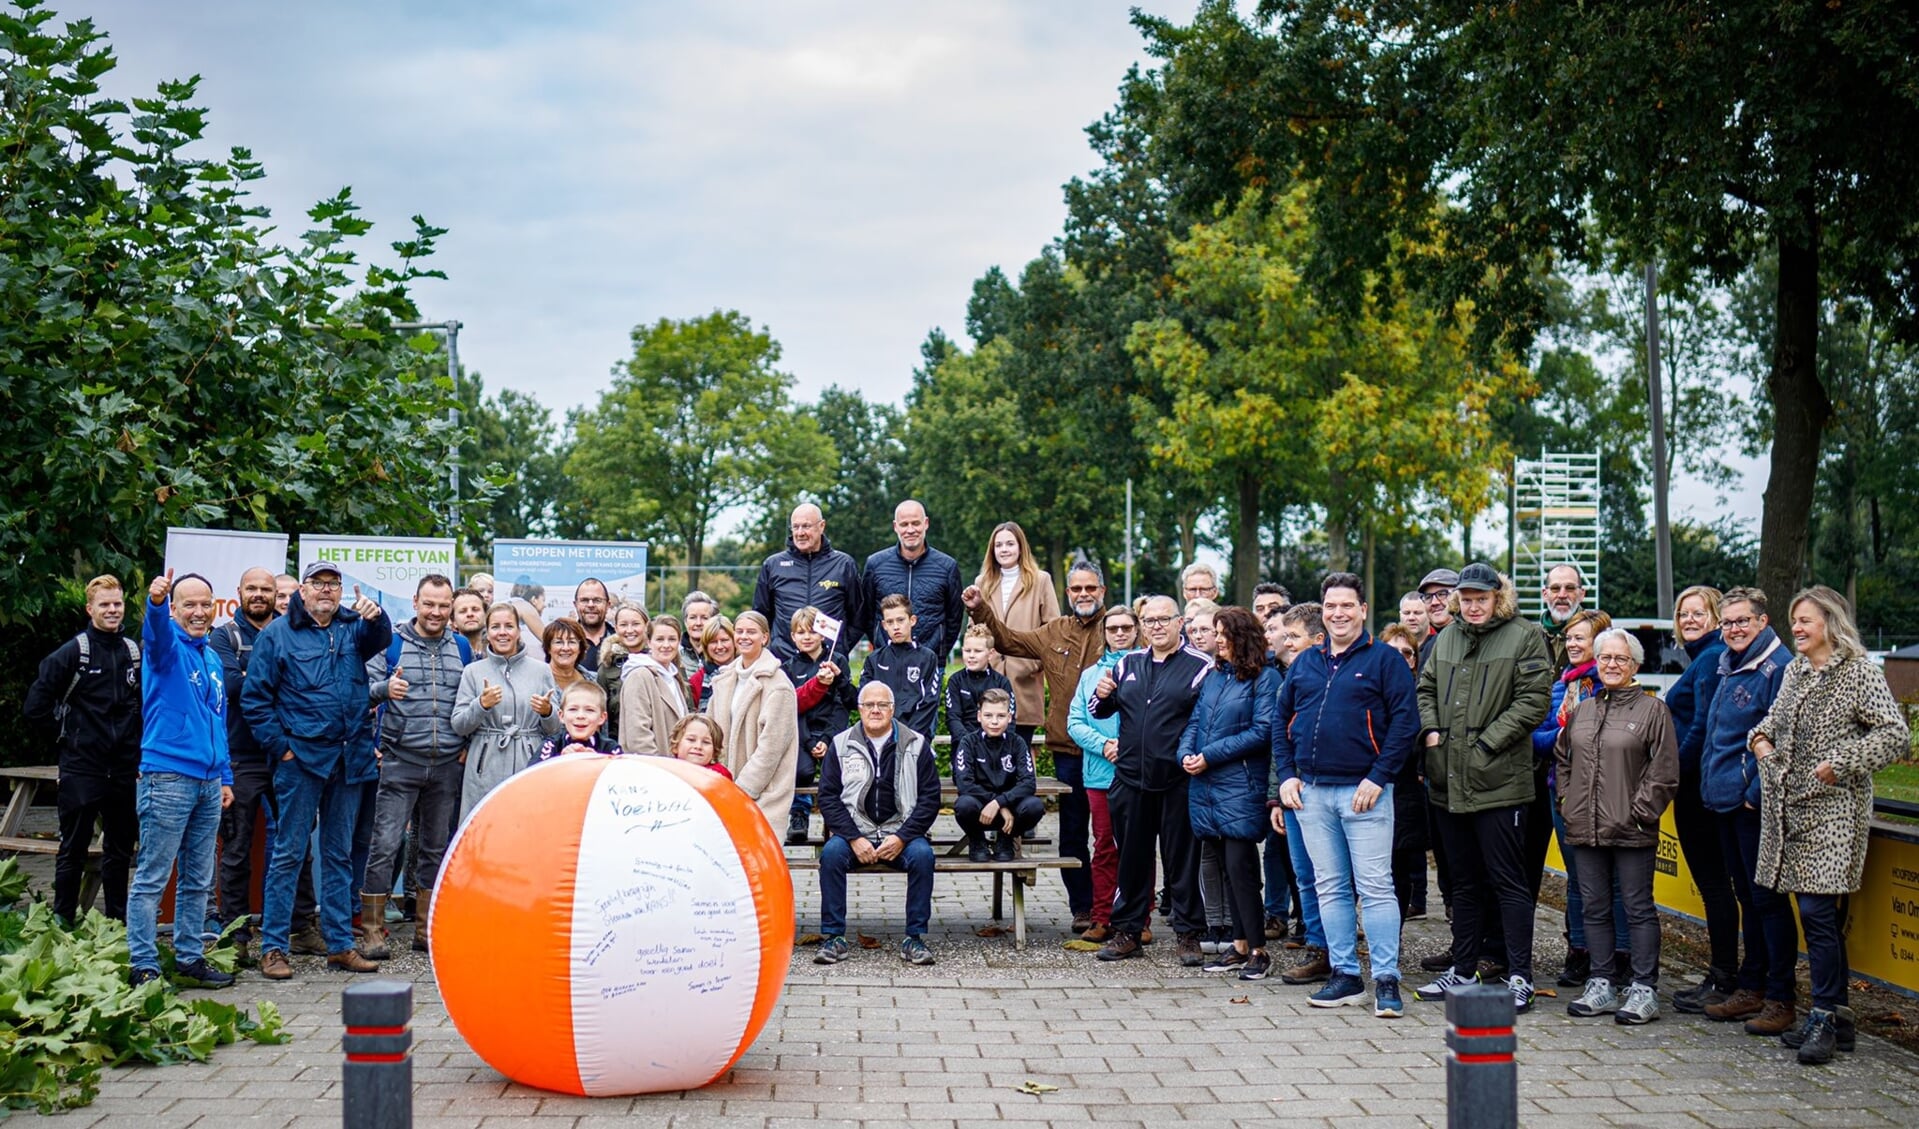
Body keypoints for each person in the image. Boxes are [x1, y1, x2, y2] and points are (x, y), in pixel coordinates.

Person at [1750, 586, 1909, 1064]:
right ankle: (1837, 1018)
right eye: (1794, 621)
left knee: (1819, 916)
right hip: (1787, 811)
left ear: (1831, 623)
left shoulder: (1859, 672)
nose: (1796, 628)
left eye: (1806, 621)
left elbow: (1895, 733)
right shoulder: (1795, 672)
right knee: (1815, 917)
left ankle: (1822, 1014)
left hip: (1834, 814)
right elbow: (1768, 726)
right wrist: (1762, 746)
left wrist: (1840, 763)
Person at [1274, 573, 1419, 1018]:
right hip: (1312, 794)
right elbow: (1281, 723)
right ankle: (1345, 975)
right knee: (1330, 887)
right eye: (1331, 606)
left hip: (1365, 794)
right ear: (1324, 611)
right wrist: (1286, 776)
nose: (1338, 613)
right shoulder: (1306, 663)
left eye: (1347, 605)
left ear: (1362, 609)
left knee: (1376, 888)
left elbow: (1405, 724)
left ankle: (1387, 980)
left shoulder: (1384, 661)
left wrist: (1379, 776)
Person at [1412, 562, 1553, 1014]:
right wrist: (1431, 732)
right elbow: (1426, 689)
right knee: (1464, 883)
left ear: (1499, 598)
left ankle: (1519, 976)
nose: (1473, 606)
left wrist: (1488, 743)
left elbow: (1534, 699)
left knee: (1509, 883)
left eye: (1481, 599)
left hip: (1500, 782)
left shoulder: (1525, 635)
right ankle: (1464, 967)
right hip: (1447, 780)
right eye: (1467, 599)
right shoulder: (1447, 637)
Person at [243, 562, 393, 980]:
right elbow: (255, 700)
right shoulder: (277, 635)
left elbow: (381, 639)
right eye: (318, 584)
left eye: (333, 584)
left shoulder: (351, 627)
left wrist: (376, 617)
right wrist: (283, 750)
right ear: (303, 591)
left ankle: (340, 945)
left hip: (349, 759)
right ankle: (274, 947)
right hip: (301, 762)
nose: (326, 591)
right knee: (289, 854)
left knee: (339, 855)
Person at [963, 562, 1109, 933]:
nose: (1083, 595)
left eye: (1090, 588)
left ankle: (1119, 906)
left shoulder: (1118, 629)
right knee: (1074, 833)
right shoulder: (1054, 631)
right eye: (1076, 589)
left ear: (1102, 592)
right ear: (1067, 594)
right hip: (1070, 750)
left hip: (1113, 752)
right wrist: (981, 609)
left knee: (1115, 833)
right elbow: (1009, 639)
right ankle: (1083, 907)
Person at [1556, 628, 1679, 1026]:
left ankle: (1644, 987)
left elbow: (1664, 773)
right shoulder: (1584, 710)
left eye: (1620, 659)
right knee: (1594, 907)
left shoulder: (1652, 710)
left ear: (1634, 666)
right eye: (1605, 658)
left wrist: (1639, 812)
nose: (1611, 665)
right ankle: (1601, 981)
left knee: (1637, 907)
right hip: (1585, 827)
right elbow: (1563, 759)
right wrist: (1567, 801)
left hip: (1631, 829)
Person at [1089, 594, 1212, 964]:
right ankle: (1128, 931)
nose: (1156, 626)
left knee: (1181, 861)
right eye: (1149, 620)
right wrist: (1101, 693)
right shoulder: (1128, 663)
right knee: (1132, 859)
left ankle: (1188, 934)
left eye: (1163, 619)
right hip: (1129, 778)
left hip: (1178, 780)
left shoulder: (1201, 666)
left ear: (1180, 623)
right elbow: (1099, 710)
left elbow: (1208, 719)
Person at [127, 570, 235, 988]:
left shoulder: (210, 656)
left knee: (198, 878)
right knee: (154, 876)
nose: (198, 611)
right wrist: (153, 605)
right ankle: (144, 963)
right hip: (168, 777)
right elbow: (154, 634)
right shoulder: (165, 647)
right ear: (174, 609)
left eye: (204, 604)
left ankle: (189, 956)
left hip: (208, 783)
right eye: (187, 604)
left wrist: (224, 775)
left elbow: (218, 719)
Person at [1697, 587, 1796, 1035]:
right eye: (1728, 622)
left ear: (1762, 621)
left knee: (1767, 900)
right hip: (1723, 801)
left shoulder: (1779, 668)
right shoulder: (1728, 663)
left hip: (1752, 804)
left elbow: (1786, 739)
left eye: (1742, 620)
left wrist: (1754, 791)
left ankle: (1780, 997)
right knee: (1746, 897)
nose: (1734, 628)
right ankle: (1751, 986)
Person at [211, 567, 319, 957]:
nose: (259, 595)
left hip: (287, 752)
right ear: (238, 592)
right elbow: (233, 686)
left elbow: (305, 684)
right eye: (252, 588)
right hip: (241, 757)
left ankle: (302, 926)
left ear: (278, 595)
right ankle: (236, 935)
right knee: (238, 847)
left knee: (298, 844)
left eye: (266, 589)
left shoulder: (294, 633)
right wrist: (279, 679)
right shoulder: (223, 636)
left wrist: (258, 677)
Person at [362, 574, 471, 958]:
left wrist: (465, 745)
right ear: (415, 602)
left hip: (445, 765)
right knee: (385, 845)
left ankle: (426, 929)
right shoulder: (390, 643)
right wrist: (384, 690)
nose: (436, 612)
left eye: (443, 605)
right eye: (429, 604)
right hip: (400, 760)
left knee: (435, 848)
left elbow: (468, 701)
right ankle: (373, 930)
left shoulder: (461, 647)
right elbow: (364, 689)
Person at [23, 574, 140, 925]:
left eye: (117, 603)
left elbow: (145, 707)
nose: (112, 610)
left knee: (120, 851)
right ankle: (63, 921)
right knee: (72, 848)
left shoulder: (133, 652)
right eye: (104, 605)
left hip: (122, 769)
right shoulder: (74, 651)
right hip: (82, 768)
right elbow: (35, 706)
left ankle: (117, 921)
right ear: (90, 609)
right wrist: (68, 738)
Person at [1183, 606, 1283, 981]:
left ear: (1242, 637)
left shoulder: (1266, 679)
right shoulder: (1214, 676)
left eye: (1224, 633)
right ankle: (1239, 944)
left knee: (1242, 869)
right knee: (1226, 868)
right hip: (1207, 786)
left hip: (1240, 786)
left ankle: (1258, 950)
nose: (1218, 639)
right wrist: (1187, 754)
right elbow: (1195, 721)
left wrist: (1209, 756)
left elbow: (1262, 731)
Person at [813, 682, 941, 967]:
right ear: (859, 709)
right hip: (855, 833)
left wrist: (903, 838)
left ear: (892, 709)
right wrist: (853, 838)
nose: (875, 710)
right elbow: (828, 797)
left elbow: (930, 798)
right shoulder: (841, 744)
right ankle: (834, 937)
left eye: (882, 705)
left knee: (923, 856)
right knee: (831, 855)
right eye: (869, 705)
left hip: (901, 832)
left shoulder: (916, 743)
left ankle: (914, 938)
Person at [1531, 608, 1626, 988]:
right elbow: (1536, 738)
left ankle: (1620, 954)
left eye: (1580, 638)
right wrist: (1559, 738)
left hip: (1607, 793)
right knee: (1577, 876)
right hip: (1563, 791)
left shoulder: (1611, 687)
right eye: (1569, 638)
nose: (1572, 644)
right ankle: (1580, 952)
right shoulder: (1558, 689)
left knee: (1612, 877)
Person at [1663, 585, 1741, 1014]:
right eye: (1683, 614)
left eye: (1698, 613)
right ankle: (1725, 973)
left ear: (1715, 616)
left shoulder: (1711, 660)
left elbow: (1702, 730)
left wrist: (1671, 771)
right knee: (1718, 888)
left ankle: (1725, 975)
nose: (1689, 620)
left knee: (1716, 888)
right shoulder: (1704, 658)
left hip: (1698, 790)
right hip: (1695, 786)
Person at [1066, 605, 1142, 945]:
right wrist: (1105, 744)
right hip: (1099, 773)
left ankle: (1138, 917)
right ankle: (1101, 916)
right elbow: (1075, 723)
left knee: (1137, 846)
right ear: (1105, 633)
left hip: (1138, 772)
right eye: (1114, 629)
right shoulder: (1089, 676)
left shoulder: (1146, 669)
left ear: (1136, 630)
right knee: (1105, 847)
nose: (1120, 633)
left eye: (1127, 627)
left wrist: (1125, 747)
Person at [451, 603, 560, 826]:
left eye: (509, 626)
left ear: (518, 631)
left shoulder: (541, 670)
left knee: (525, 828)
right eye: (496, 627)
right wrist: (481, 704)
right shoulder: (473, 671)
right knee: (483, 828)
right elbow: (459, 724)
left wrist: (547, 712)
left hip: (527, 760)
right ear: (487, 632)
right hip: (485, 762)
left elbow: (554, 729)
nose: (502, 632)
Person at [1271, 602, 1332, 984]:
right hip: (1294, 791)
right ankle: (1317, 946)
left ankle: (1337, 948)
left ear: (1318, 639)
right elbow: (1280, 735)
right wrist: (1279, 792)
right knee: (1305, 874)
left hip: (1330, 789)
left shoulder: (1331, 674)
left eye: (1293, 636)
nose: (1284, 641)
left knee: (1332, 875)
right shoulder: (1290, 677)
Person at [707, 611, 801, 831]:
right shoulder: (723, 679)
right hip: (724, 791)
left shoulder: (778, 685)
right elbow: (711, 733)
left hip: (761, 796)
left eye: (751, 632)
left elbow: (771, 749)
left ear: (765, 637)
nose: (744, 637)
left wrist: (742, 791)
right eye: (739, 631)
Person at [974, 521, 1059, 743]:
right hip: (990, 675)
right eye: (998, 545)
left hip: (1024, 679)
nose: (1004, 549)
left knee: (1019, 747)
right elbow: (974, 630)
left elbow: (1054, 630)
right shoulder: (982, 582)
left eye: (1010, 543)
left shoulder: (1041, 580)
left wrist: (1034, 663)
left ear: (1021, 547)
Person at [752, 503, 863, 662]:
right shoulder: (773, 565)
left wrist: (839, 646)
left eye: (806, 526)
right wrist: (776, 647)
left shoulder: (843, 564)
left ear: (822, 526)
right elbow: (760, 616)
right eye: (795, 527)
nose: (800, 533)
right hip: (784, 661)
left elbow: (858, 616)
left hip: (829, 662)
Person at [783, 607, 855, 845]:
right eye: (800, 632)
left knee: (840, 772)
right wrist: (811, 742)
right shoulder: (789, 667)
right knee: (801, 772)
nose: (806, 637)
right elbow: (792, 709)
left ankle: (840, 820)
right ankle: (799, 814)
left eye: (812, 632)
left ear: (823, 634)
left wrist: (826, 738)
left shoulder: (838, 660)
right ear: (792, 636)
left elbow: (846, 703)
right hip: (802, 734)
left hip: (831, 733)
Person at [862, 500, 964, 664]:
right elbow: (867, 614)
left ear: (926, 523)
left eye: (916, 523)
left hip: (930, 663)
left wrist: (938, 652)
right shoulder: (875, 564)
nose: (910, 530)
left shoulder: (947, 567)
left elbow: (954, 617)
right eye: (904, 524)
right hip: (886, 661)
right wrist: (881, 646)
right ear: (895, 527)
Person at [1378, 623, 1431, 921]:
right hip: (1367, 791)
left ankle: (1393, 936)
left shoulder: (1420, 696)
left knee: (1400, 868)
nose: (1399, 657)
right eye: (1392, 651)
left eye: (1406, 652)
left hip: (1405, 792)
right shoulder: (1366, 690)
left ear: (1414, 660)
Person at [952, 689, 1043, 861]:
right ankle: (977, 841)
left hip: (1012, 812)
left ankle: (1006, 839)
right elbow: (964, 784)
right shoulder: (968, 742)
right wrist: (997, 804)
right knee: (963, 804)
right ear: (979, 716)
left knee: (1034, 806)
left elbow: (1029, 783)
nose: (994, 721)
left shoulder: (1017, 743)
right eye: (988, 715)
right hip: (980, 811)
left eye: (1001, 716)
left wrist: (1001, 802)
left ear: (1009, 718)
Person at [860, 594, 942, 746]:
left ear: (912, 620)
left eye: (900, 620)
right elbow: (864, 699)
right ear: (884, 625)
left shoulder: (927, 658)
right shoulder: (874, 659)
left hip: (915, 737)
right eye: (890, 622)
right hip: (880, 738)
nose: (896, 626)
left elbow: (930, 701)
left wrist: (908, 735)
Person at [620, 616, 688, 758]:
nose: (666, 645)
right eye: (660, 639)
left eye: (672, 639)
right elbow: (638, 735)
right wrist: (658, 767)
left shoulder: (673, 677)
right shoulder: (639, 676)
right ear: (649, 642)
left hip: (675, 766)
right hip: (652, 768)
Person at [945, 625, 1015, 742]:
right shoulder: (955, 681)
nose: (971, 655)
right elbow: (953, 719)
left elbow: (1010, 721)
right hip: (964, 745)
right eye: (967, 651)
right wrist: (970, 745)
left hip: (996, 747)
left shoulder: (1002, 682)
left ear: (990, 654)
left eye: (977, 651)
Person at [596, 603, 651, 739]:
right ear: (616, 628)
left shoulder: (662, 661)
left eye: (636, 624)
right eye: (623, 625)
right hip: (619, 744)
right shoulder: (607, 667)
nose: (630, 630)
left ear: (647, 626)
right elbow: (598, 713)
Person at [537, 682, 624, 760]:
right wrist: (561, 760)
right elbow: (532, 775)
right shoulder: (550, 745)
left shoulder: (610, 748)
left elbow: (621, 775)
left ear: (602, 718)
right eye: (573, 709)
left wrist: (597, 762)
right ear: (561, 716)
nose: (580, 716)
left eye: (589, 710)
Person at [1538, 564, 1588, 667]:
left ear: (1582, 594)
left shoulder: (1598, 635)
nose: (1562, 595)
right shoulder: (1530, 639)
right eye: (1555, 588)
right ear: (1545, 594)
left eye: (1570, 588)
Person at [689, 616, 735, 711]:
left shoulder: (746, 672)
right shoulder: (696, 681)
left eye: (724, 640)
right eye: (713, 642)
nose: (719, 646)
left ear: (735, 641)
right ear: (706, 646)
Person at [543, 617, 591, 702]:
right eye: (559, 642)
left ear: (580, 648)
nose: (565, 648)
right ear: (548, 648)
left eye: (572, 642)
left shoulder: (594, 680)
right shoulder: (538, 680)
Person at [670, 714, 732, 779]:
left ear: (714, 752)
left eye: (706, 742)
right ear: (675, 746)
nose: (698, 746)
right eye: (691, 740)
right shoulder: (666, 771)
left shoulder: (719, 776)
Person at [571, 579, 611, 675]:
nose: (590, 605)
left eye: (597, 600)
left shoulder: (620, 641)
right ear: (575, 605)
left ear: (608, 605)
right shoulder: (565, 643)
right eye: (584, 600)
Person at [680, 591, 719, 679]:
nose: (698, 623)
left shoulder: (723, 651)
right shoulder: (674, 654)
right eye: (693, 617)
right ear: (685, 621)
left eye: (704, 618)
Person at [451, 587, 488, 655]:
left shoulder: (496, 649)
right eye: (463, 611)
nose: (470, 614)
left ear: (486, 615)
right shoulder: (449, 652)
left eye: (475, 609)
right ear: (453, 621)